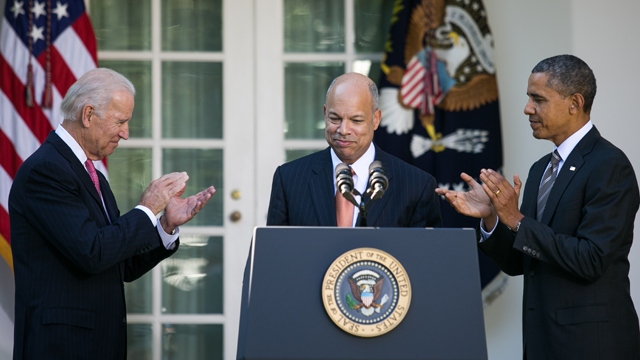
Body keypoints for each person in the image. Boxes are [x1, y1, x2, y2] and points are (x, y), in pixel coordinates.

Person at [436, 55, 640, 359]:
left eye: (538, 99)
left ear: (575, 103)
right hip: (542, 343)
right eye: (528, 98)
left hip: (591, 346)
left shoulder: (610, 165)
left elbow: (591, 259)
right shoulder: (541, 168)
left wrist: (516, 219)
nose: (527, 108)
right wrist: (493, 217)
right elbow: (522, 263)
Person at [9, 68, 216, 359]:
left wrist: (165, 224)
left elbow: (120, 263)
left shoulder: (91, 173)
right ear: (88, 114)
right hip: (61, 347)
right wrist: (147, 208)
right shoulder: (46, 171)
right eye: (121, 121)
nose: (126, 134)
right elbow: (92, 252)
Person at [267, 72, 442, 228]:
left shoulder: (417, 186)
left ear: (376, 120)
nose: (343, 130)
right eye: (335, 118)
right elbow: (272, 255)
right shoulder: (289, 180)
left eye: (356, 120)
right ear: (325, 113)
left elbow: (425, 260)